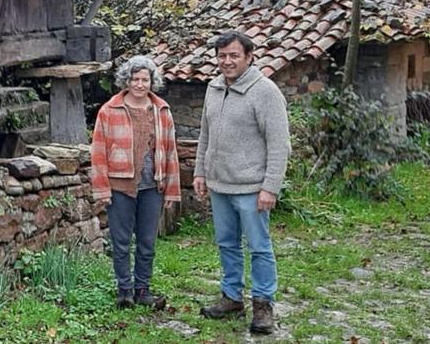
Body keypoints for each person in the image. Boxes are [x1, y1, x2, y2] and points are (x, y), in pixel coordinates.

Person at [193, 31, 290, 335]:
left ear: (249, 57)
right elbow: (205, 135)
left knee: (259, 247)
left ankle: (263, 304)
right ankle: (232, 296)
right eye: (222, 56)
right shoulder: (214, 87)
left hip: (252, 188)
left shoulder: (265, 92)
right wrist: (200, 172)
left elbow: (279, 144)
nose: (227, 61)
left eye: (234, 55)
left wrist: (270, 187)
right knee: (227, 244)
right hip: (220, 184)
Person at [90, 55, 182, 309]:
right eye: (135, 79)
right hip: (120, 187)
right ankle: (124, 292)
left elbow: (170, 151)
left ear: (152, 82)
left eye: (145, 79)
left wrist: (172, 190)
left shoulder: (162, 111)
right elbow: (98, 152)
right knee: (120, 242)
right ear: (126, 81)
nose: (140, 84)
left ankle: (143, 289)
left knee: (147, 242)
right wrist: (102, 189)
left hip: (152, 186)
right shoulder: (109, 110)